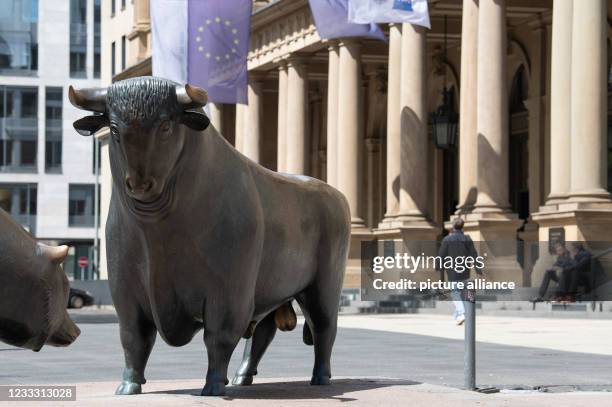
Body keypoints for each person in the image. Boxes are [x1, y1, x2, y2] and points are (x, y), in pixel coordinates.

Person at [438, 218, 482, 325]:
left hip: (452, 271)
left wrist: (439, 270)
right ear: (463, 226)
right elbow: (474, 255)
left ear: (453, 226)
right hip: (465, 270)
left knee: (455, 293)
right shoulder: (467, 239)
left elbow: (441, 256)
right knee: (461, 294)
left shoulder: (447, 240)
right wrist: (478, 269)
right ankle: (458, 316)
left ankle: (462, 313)